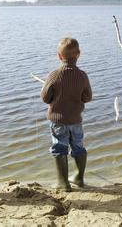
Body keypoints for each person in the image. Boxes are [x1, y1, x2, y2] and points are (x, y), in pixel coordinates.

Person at [41, 38, 92, 191]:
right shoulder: (82, 75)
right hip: (76, 119)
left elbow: (45, 98)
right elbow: (87, 97)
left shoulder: (54, 75)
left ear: (59, 56)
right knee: (78, 146)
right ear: (79, 55)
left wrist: (54, 98)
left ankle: (63, 183)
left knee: (59, 147)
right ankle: (79, 177)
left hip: (58, 121)